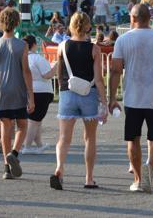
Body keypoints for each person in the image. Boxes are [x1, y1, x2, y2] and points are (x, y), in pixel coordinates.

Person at [108, 4, 153, 193]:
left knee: (133, 139)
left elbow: (115, 70)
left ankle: (138, 180)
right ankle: (150, 164)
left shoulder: (123, 40)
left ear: (132, 18)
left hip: (132, 97)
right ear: (150, 18)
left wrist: (112, 97)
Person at [50, 12, 107, 191]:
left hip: (67, 93)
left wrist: (62, 88)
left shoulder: (62, 46)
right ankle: (89, 178)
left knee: (64, 137)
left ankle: (59, 168)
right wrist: (104, 102)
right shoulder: (94, 49)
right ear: (88, 27)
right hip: (88, 94)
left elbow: (58, 72)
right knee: (90, 138)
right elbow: (98, 79)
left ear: (71, 26)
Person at [0, 8, 34, 180]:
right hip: (17, 89)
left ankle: (6, 169)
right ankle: (14, 154)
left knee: (5, 127)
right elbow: (26, 71)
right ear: (17, 23)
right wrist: (31, 96)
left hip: (0, 90)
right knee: (22, 125)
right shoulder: (22, 45)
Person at [24, 35, 56, 155]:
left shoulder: (22, 58)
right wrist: (56, 67)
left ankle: (39, 145)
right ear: (34, 45)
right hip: (42, 91)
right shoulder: (37, 58)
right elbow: (47, 75)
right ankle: (27, 146)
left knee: (36, 119)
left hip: (28, 90)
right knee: (34, 120)